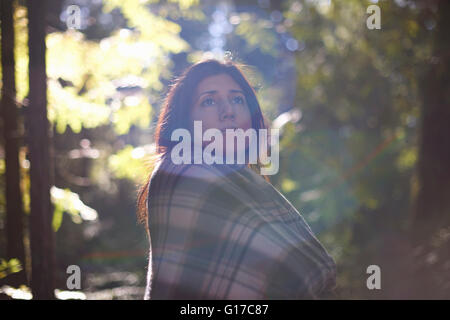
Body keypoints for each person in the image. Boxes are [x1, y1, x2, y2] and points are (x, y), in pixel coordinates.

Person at [136, 58, 337, 300]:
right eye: (208, 101)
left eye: (237, 99)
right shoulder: (182, 171)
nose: (228, 111)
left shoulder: (247, 184)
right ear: (186, 121)